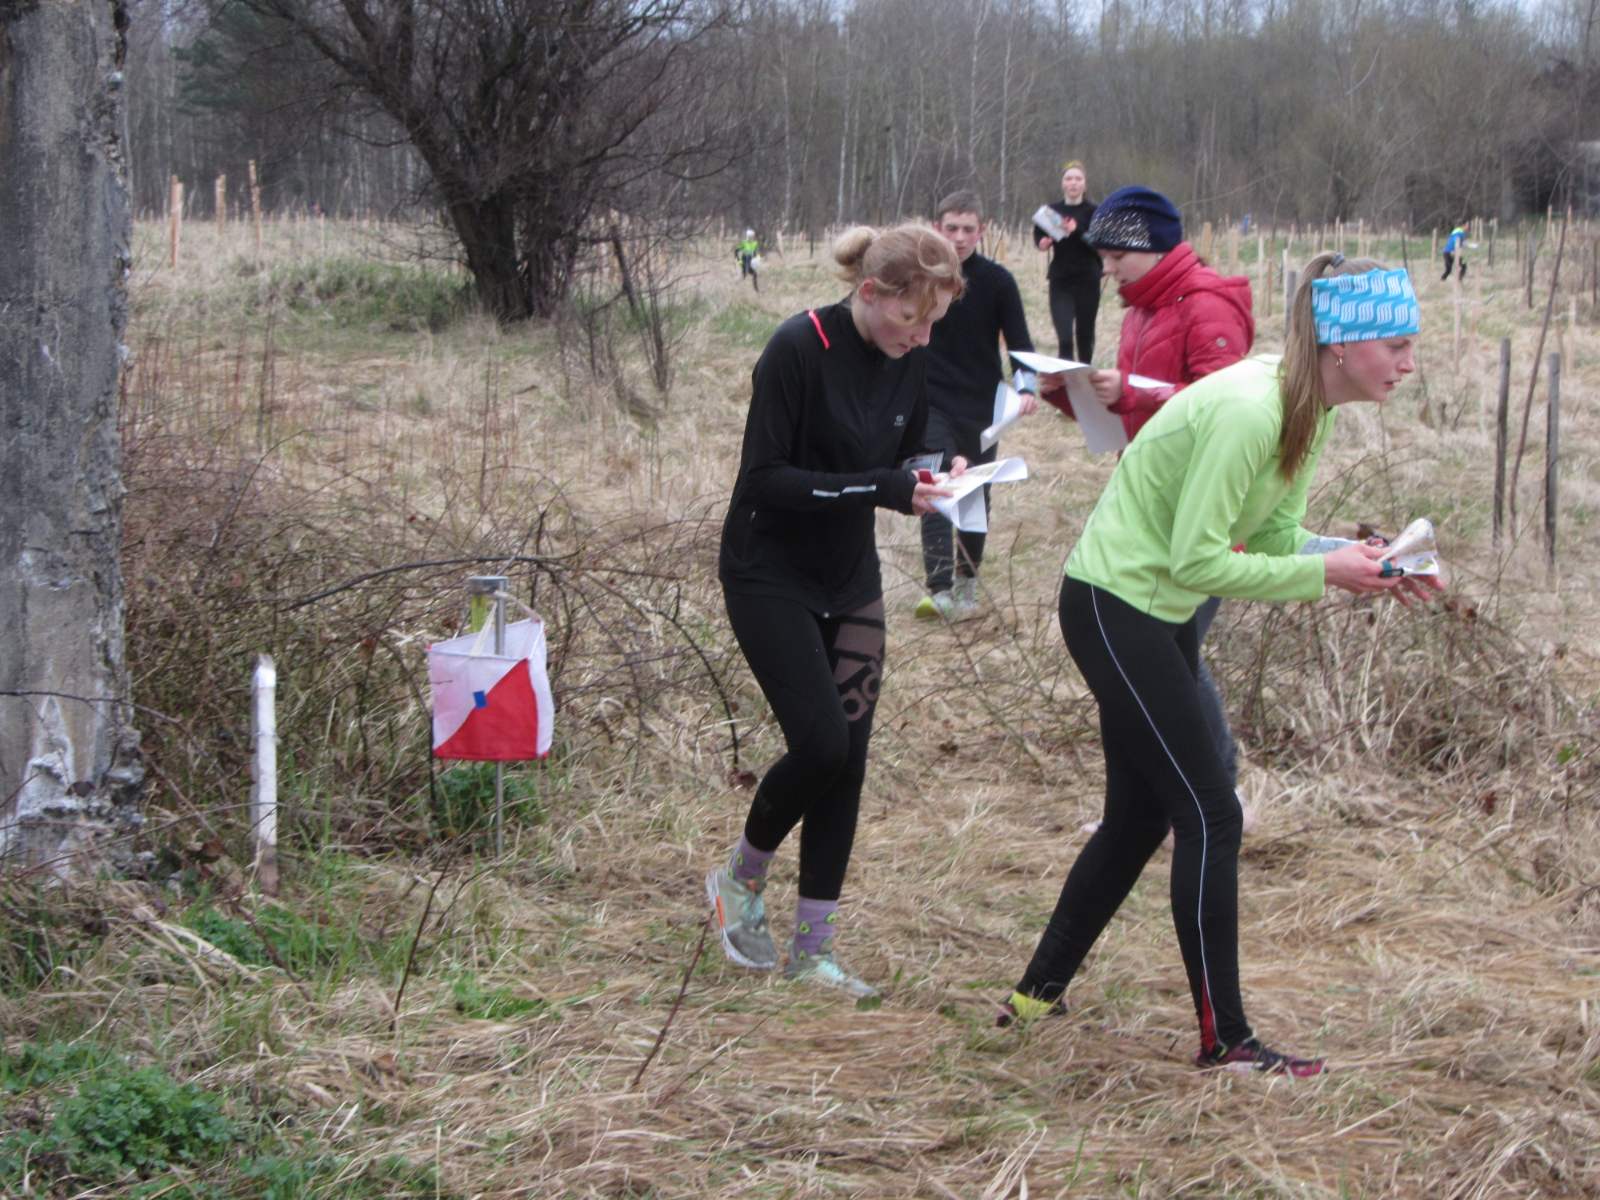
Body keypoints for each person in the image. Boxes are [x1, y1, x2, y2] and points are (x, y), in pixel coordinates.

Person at [999, 253, 1442, 1076]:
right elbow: (1201, 560)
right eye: (1399, 344)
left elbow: (1270, 541)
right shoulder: (1252, 409)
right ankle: (1226, 1041)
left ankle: (1033, 996)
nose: (1410, 363)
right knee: (1212, 813)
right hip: (1114, 606)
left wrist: (1364, 558)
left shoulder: (1310, 408)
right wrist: (1326, 574)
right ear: (1343, 344)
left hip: (1153, 611)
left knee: (1140, 819)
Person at [708, 224, 967, 998]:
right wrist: (879, 488)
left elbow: (913, 446)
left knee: (849, 762)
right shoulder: (797, 347)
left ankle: (813, 951)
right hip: (768, 572)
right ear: (869, 293)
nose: (921, 337)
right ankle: (738, 880)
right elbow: (767, 480)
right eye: (910, 320)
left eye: (933, 325)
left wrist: (937, 469)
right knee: (819, 744)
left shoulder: (908, 356)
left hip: (848, 577)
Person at [1049, 185, 1254, 793]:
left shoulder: (1207, 307)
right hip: (1153, 505)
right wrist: (1076, 395)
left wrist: (1133, 393)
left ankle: (1219, 792)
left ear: (1153, 248)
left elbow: (1229, 410)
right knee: (1155, 662)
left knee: (1172, 663)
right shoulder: (1142, 308)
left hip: (1202, 510)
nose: (1106, 267)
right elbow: (1135, 414)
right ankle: (1159, 802)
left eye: (1116, 255)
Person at [914, 189, 1039, 622]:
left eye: (969, 229)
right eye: (952, 228)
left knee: (974, 495)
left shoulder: (998, 281)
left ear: (982, 231)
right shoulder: (919, 276)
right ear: (937, 228)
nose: (960, 237)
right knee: (934, 484)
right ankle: (939, 589)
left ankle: (967, 583)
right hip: (927, 402)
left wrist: (1027, 389)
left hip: (983, 407)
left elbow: (1021, 345)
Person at [1033, 161, 1100, 363]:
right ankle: (1065, 385)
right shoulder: (1051, 211)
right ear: (1062, 184)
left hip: (1088, 279)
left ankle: (1085, 379)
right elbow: (1038, 235)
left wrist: (1076, 231)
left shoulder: (1094, 211)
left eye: (1078, 179)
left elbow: (1098, 244)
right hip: (1060, 279)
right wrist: (1041, 243)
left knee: (1084, 336)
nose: (1073, 183)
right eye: (1069, 179)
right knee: (1064, 338)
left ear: (1084, 184)